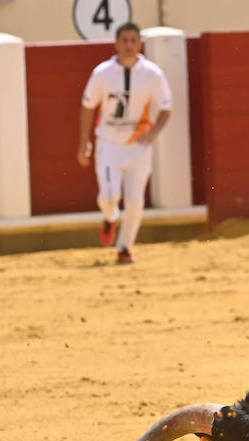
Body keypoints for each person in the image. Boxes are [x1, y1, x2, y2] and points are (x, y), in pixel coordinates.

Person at [76, 22, 172, 265]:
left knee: (136, 200)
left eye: (133, 40)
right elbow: (88, 108)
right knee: (109, 196)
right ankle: (110, 217)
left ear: (140, 44)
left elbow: (166, 107)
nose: (129, 45)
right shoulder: (101, 73)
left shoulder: (153, 74)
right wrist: (84, 142)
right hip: (109, 143)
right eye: (124, 40)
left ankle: (125, 247)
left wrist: (154, 134)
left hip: (139, 145)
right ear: (116, 44)